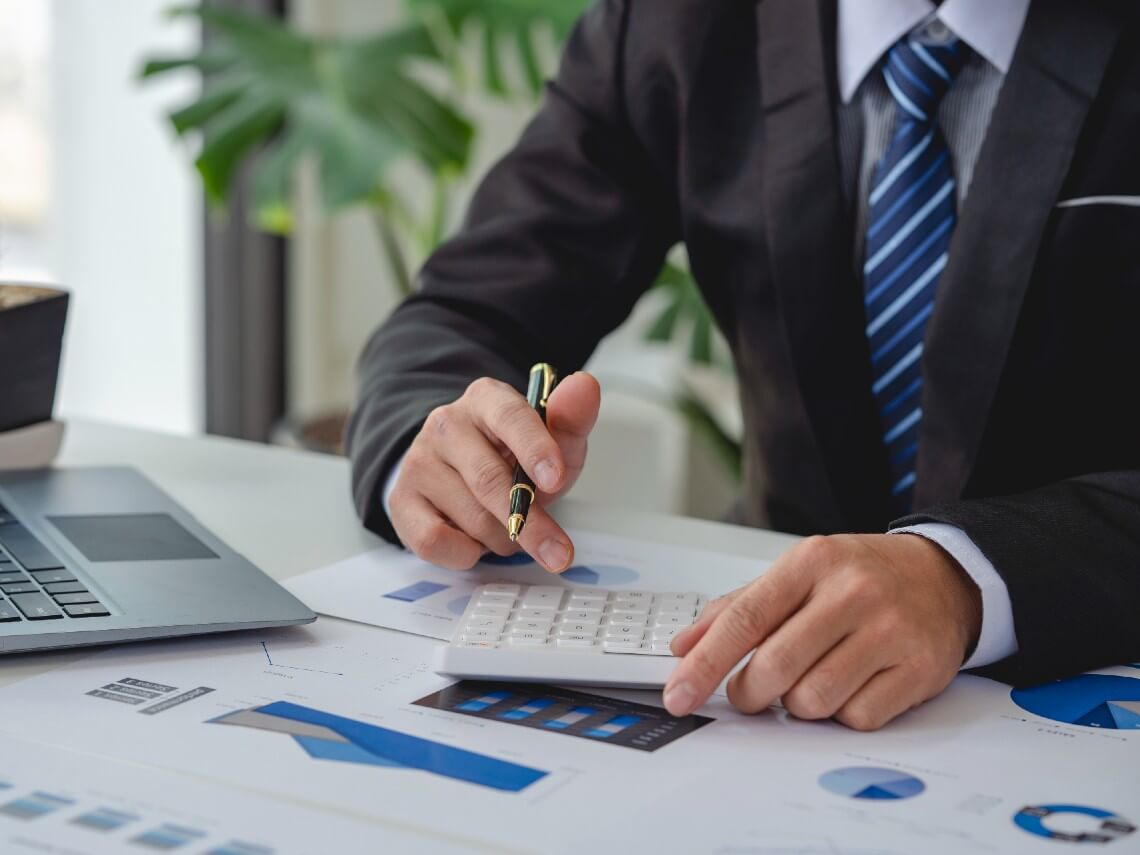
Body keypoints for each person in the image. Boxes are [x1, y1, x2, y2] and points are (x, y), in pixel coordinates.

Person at [346, 0, 1140, 730]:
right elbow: (465, 307)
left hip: (1087, 680)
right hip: (754, 682)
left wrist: (967, 578)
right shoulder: (677, 22)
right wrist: (446, 440)